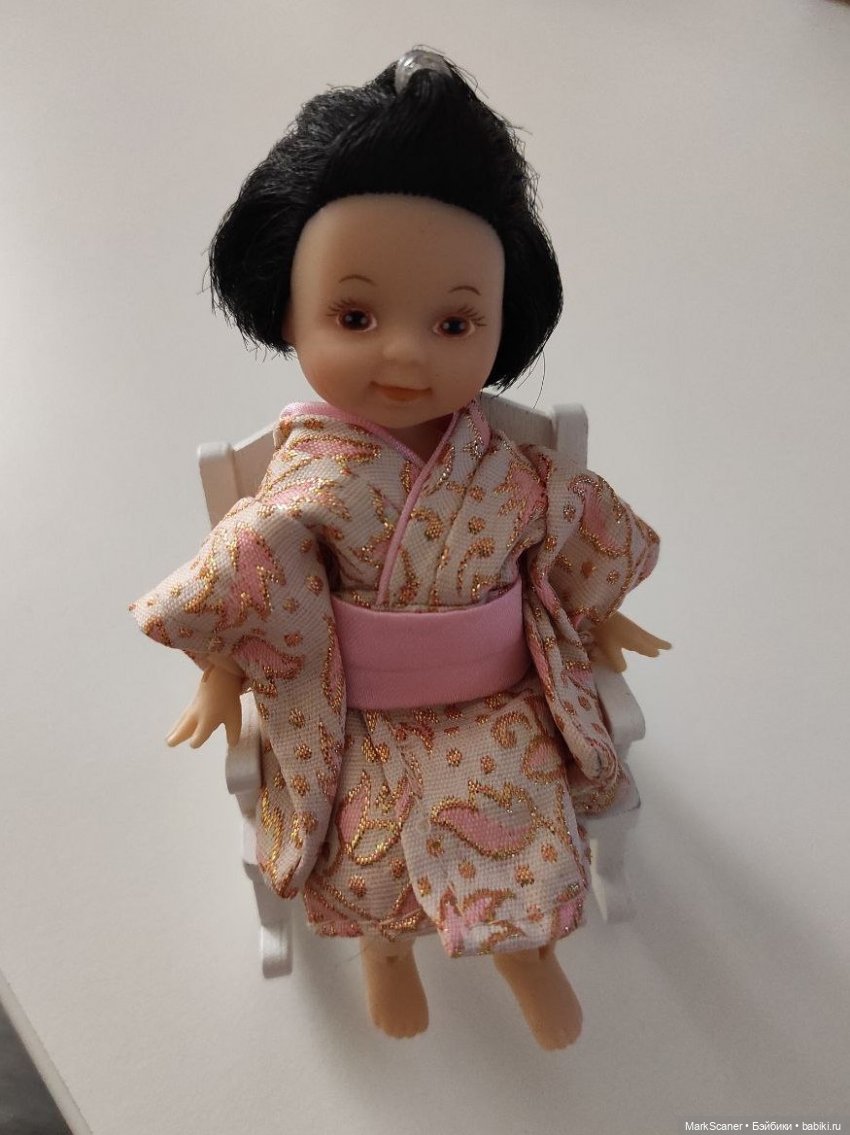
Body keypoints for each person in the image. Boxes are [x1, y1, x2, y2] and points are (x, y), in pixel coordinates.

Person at [131, 49, 668, 1049]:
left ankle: (528, 953)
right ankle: (386, 952)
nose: (407, 351)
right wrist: (223, 671)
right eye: (356, 316)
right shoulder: (307, 479)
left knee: (522, 816)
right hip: (358, 713)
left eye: (454, 321)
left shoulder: (504, 464)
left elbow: (569, 524)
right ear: (286, 309)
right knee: (367, 846)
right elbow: (251, 570)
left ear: (502, 324)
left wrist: (598, 612)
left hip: (497, 702)